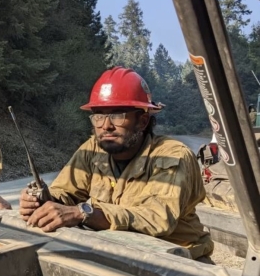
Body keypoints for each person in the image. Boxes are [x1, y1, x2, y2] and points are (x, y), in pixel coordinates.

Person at [19, 67, 214, 260]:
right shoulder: (92, 149)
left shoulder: (172, 156)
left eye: (117, 115)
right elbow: (65, 194)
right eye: (98, 116)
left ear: (143, 121)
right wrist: (42, 200)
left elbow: (157, 218)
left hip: (182, 264)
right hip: (121, 256)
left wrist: (83, 213)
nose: (106, 125)